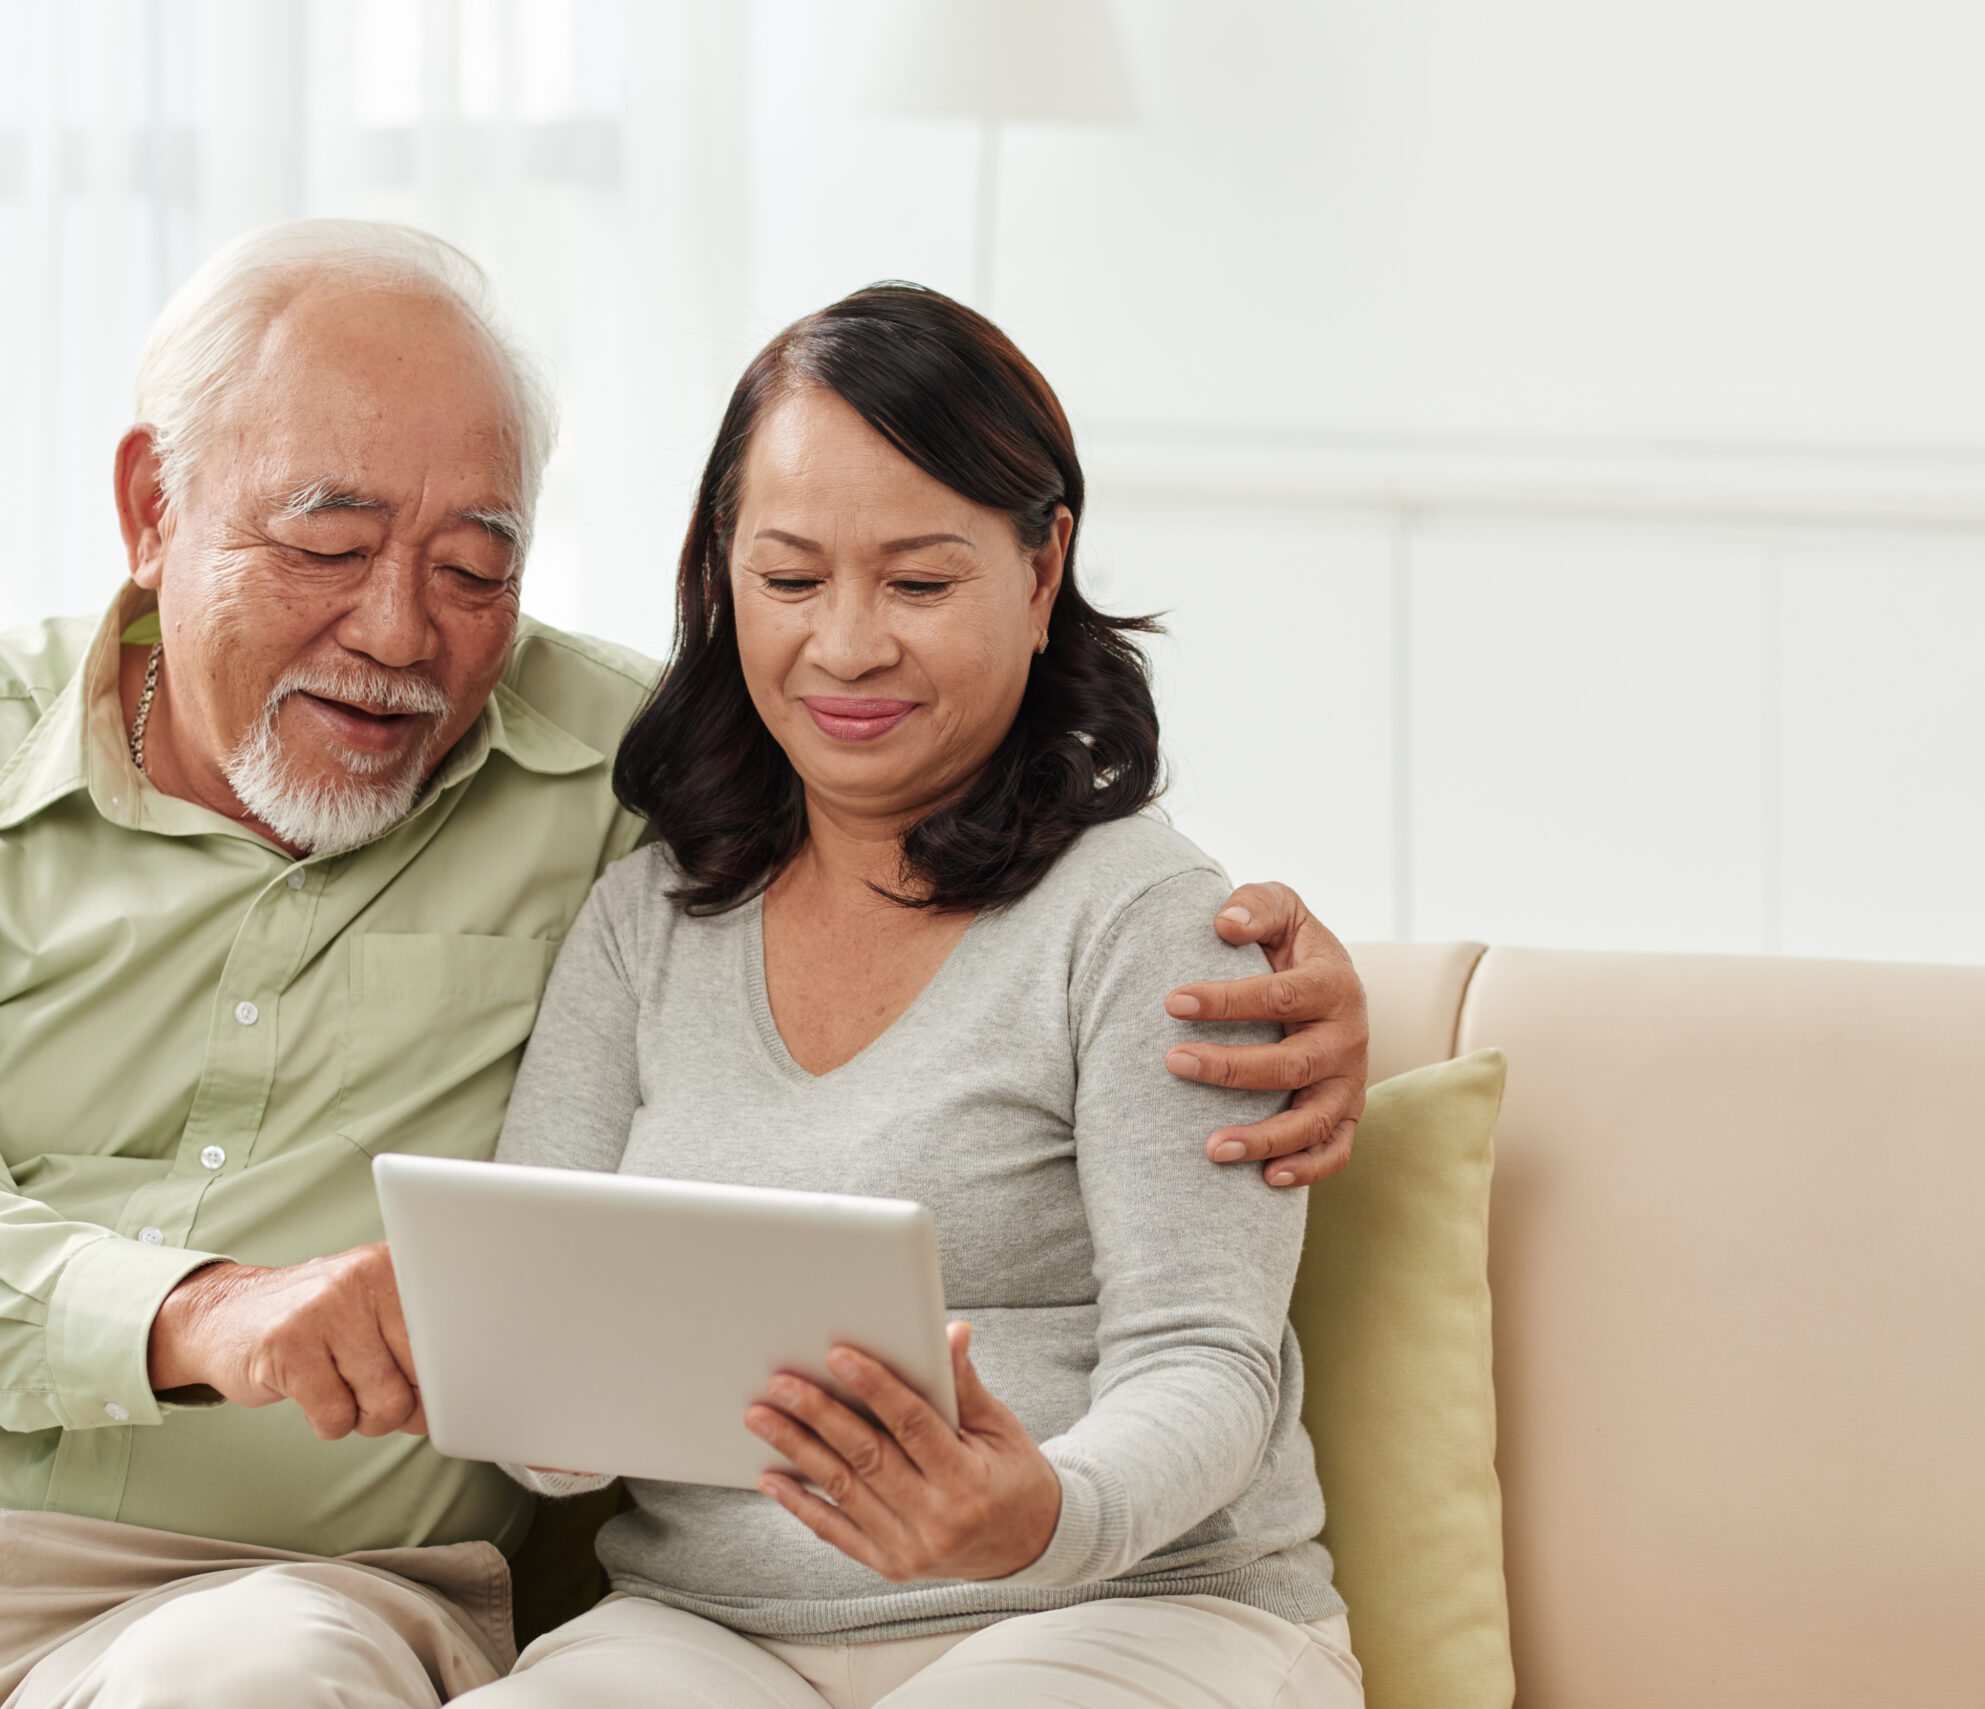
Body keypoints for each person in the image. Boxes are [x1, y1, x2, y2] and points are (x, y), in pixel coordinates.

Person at [0, 221, 1371, 1708]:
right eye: (328, 545)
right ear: (151, 508)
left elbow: (968, 827)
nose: (405, 631)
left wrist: (1316, 980)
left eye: (474, 567)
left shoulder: (621, 774)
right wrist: (223, 1312)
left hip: (277, 1615)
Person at [476, 284, 1361, 1708]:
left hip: (1130, 1608)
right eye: (789, 578)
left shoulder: (1148, 915)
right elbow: (540, 1372)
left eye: (920, 582)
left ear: (1040, 564)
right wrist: (533, 1397)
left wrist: (1042, 1511)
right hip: (710, 1629)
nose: (846, 645)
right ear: (723, 572)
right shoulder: (645, 918)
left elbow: (1206, 1359)